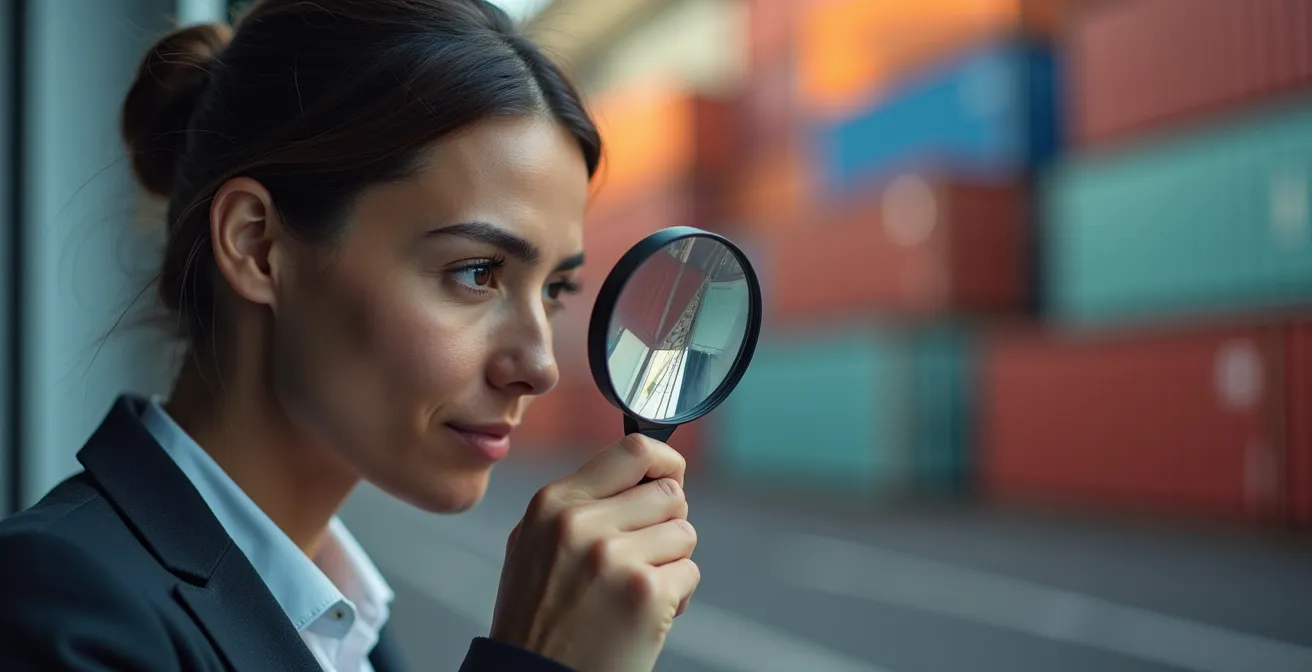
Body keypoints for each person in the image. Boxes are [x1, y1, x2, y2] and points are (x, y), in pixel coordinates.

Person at [0, 1, 700, 671]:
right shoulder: (54, 611)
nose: (540, 364)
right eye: (477, 272)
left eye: (555, 290)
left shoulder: (337, 619)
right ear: (258, 245)